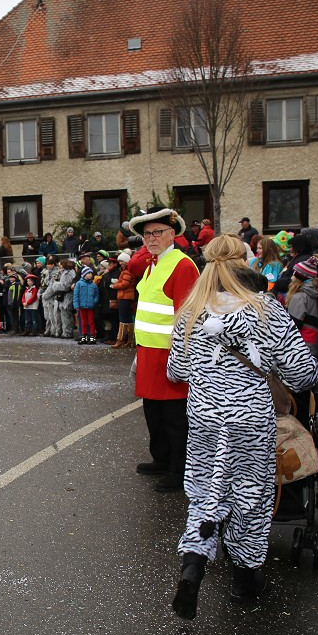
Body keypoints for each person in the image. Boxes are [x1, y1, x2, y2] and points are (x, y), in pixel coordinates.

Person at [167, 235, 318, 619]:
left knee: (206, 490)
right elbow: (301, 374)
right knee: (250, 497)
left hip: (205, 418)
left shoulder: (192, 309)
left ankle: (193, 564)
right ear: (245, 261)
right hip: (249, 420)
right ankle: (244, 578)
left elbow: (177, 371)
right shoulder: (266, 309)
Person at [129, 207, 201, 493]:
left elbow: (188, 316)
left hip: (170, 354)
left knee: (174, 418)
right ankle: (161, 459)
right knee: (153, 412)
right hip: (149, 352)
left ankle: (179, 470)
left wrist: (182, 356)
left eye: (158, 232)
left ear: (173, 234)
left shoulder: (182, 265)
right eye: (147, 234)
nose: (151, 238)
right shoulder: (153, 263)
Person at [73, 266, 100, 344]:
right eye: (88, 273)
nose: (90, 275)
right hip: (82, 306)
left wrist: (94, 302)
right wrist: (76, 305)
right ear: (84, 274)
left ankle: (92, 336)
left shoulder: (93, 285)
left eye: (91, 273)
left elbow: (96, 295)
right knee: (83, 321)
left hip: (90, 306)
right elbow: (76, 295)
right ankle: (84, 336)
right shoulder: (79, 283)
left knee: (91, 321)